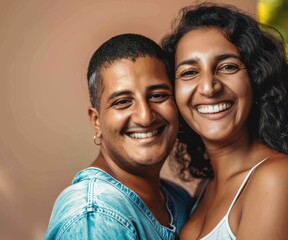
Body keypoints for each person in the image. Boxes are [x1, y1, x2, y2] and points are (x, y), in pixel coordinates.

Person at [161, 3, 288, 240]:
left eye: (228, 67)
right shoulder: (205, 189)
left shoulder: (277, 179)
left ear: (256, 79)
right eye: (189, 72)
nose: (209, 87)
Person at [45, 33, 192, 239]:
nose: (145, 116)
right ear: (96, 121)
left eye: (158, 95)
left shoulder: (178, 199)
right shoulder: (95, 217)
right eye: (122, 101)